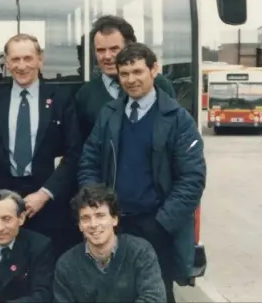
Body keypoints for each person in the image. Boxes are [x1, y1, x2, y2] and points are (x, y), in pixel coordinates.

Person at [77, 43, 206, 302]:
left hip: (156, 227)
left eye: (137, 72)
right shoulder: (109, 114)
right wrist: (96, 208)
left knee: (156, 294)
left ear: (154, 69)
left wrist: (162, 223)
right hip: (114, 225)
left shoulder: (178, 119)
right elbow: (88, 161)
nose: (131, 80)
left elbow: (192, 179)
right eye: (124, 74)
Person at [0, 33, 83, 259]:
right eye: (15, 59)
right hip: (1, 207)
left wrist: (44, 194)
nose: (22, 66)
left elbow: (74, 153)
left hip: (48, 205)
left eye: (28, 58)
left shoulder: (61, 98)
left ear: (40, 60)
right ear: (6, 63)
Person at [53, 183, 166, 302]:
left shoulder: (140, 252)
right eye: (86, 218)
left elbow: (154, 298)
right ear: (80, 225)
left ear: (114, 219)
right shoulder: (66, 265)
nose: (94, 224)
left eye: (100, 216)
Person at [75, 15, 176, 139]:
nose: (107, 56)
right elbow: (82, 148)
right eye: (101, 50)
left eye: (114, 49)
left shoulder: (159, 85)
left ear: (129, 48)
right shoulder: (85, 95)